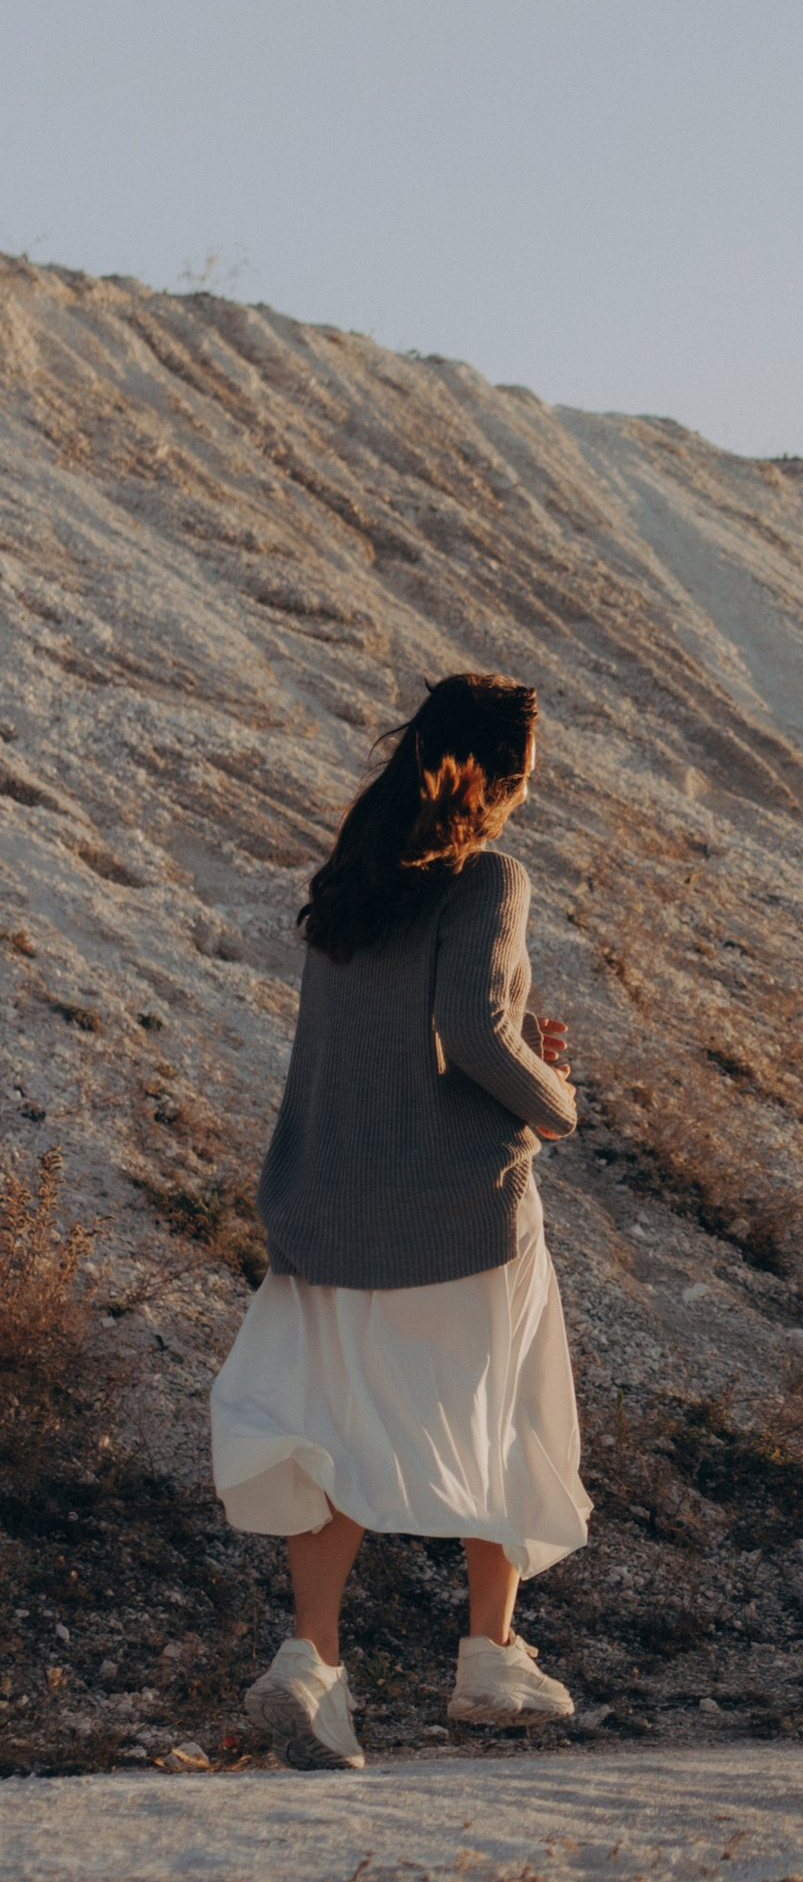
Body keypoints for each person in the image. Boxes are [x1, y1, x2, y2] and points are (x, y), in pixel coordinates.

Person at [210, 672, 588, 1768]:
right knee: (511, 1405)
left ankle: (311, 1666)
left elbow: (406, 1038)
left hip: (329, 1207)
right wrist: (555, 1099)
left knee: (329, 1434)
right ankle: (489, 1652)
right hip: (457, 1210)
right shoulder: (488, 882)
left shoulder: (353, 883)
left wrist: (520, 1044)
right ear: (511, 772)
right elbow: (469, 1034)